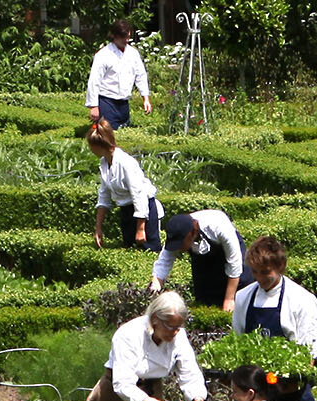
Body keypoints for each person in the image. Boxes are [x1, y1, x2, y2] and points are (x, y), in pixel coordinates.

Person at [90, 290, 212, 401]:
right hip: (118, 397)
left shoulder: (178, 336)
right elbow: (123, 384)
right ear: (155, 319)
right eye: (170, 327)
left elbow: (189, 371)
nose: (175, 332)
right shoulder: (128, 334)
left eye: (179, 327)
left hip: (153, 390)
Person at [231, 236, 317, 401]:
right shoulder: (244, 297)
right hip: (253, 396)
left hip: (289, 396)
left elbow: (308, 354)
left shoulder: (302, 300)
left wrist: (287, 380)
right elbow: (237, 342)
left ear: (281, 266)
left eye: (265, 272)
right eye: (255, 272)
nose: (259, 278)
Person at [88, 121, 163, 251]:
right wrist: (98, 228)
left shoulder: (125, 163)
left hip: (145, 210)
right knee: (129, 247)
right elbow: (104, 195)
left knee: (149, 250)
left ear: (99, 146)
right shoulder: (104, 162)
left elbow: (138, 195)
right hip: (126, 210)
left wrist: (140, 228)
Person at [152, 209, 243, 311]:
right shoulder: (177, 232)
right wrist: (154, 289)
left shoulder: (218, 227)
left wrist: (229, 299)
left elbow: (234, 263)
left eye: (180, 243)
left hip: (226, 251)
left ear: (192, 233)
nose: (178, 248)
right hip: (201, 260)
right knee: (203, 297)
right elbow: (163, 263)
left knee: (242, 287)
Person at [84, 19, 153, 129]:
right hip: (107, 101)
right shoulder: (103, 55)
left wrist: (146, 98)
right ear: (115, 36)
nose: (126, 40)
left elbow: (141, 76)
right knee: (108, 137)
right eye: (123, 37)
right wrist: (93, 106)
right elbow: (94, 81)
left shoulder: (133, 53)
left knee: (124, 133)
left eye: (128, 37)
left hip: (124, 103)